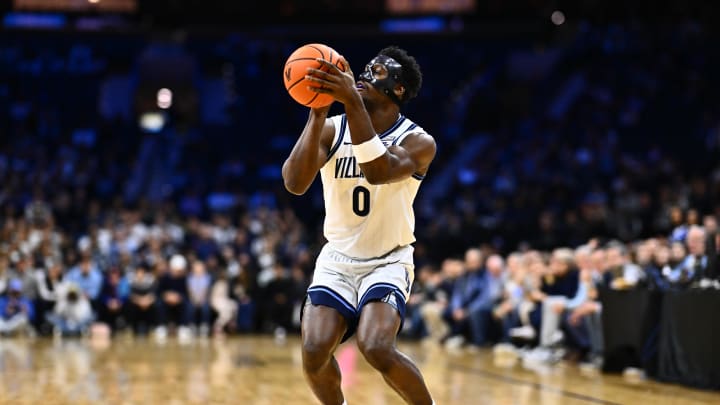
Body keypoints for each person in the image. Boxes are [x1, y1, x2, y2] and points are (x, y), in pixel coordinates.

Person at [282, 46, 436, 405]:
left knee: (376, 346)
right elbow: (294, 182)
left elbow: (377, 170)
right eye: (365, 69)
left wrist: (350, 99)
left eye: (379, 71)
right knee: (314, 351)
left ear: (398, 89)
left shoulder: (417, 141)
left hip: (388, 260)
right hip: (337, 259)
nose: (366, 74)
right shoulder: (331, 130)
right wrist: (318, 111)